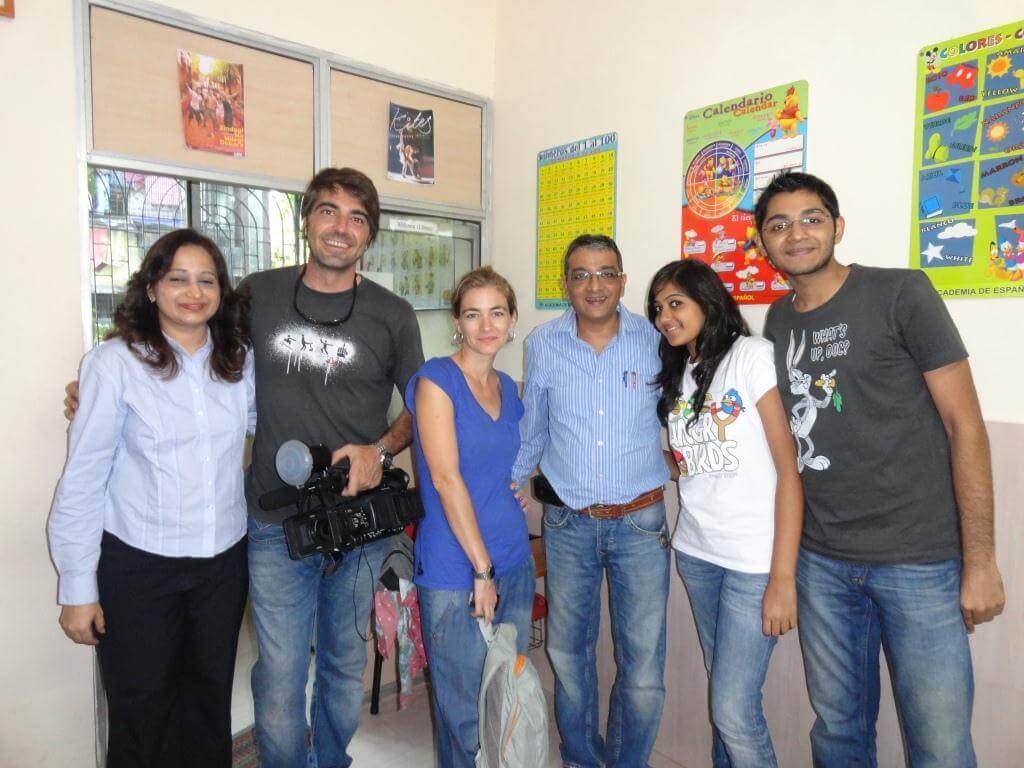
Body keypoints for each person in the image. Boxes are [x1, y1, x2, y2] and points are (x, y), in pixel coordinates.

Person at [66, 167, 424, 768]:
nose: (341, 227)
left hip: (360, 527)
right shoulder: (256, 295)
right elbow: (184, 330)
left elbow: (423, 408)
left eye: (357, 218)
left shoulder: (392, 314)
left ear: (370, 235)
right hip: (270, 524)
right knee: (280, 674)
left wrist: (380, 451)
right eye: (329, 211)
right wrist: (106, 378)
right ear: (306, 219)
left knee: (342, 668)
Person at [755, 171, 1005, 767]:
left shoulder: (902, 293)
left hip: (917, 561)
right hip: (822, 562)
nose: (796, 234)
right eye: (779, 224)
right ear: (763, 242)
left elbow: (965, 426)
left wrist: (981, 560)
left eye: (811, 219)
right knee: (839, 731)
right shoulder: (779, 320)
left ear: (838, 226)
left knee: (940, 743)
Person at [49, 228, 254, 768]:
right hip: (139, 568)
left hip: (221, 565)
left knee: (209, 705)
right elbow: (83, 480)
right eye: (177, 278)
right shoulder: (113, 364)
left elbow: (273, 424)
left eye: (206, 280)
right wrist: (77, 586)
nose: (194, 291)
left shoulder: (238, 363)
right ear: (151, 289)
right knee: (141, 710)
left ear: (221, 291)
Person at [513, 234, 670, 768]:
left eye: (606, 273)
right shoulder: (542, 344)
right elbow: (532, 431)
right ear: (565, 286)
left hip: (641, 525)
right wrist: (508, 487)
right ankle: (582, 759)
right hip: (568, 525)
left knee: (643, 667)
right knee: (568, 654)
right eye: (580, 274)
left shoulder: (656, 341)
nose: (594, 285)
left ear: (624, 282)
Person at [646, 259, 802, 768]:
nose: (664, 317)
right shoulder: (679, 373)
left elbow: (788, 470)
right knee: (726, 695)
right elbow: (690, 463)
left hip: (753, 563)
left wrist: (782, 577)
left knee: (733, 709)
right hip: (696, 553)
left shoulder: (751, 355)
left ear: (707, 301)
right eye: (658, 308)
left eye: (675, 303)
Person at [407, 266, 534, 767]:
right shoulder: (436, 379)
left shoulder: (507, 386)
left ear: (512, 321)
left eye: (497, 313)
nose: (486, 325)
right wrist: (481, 570)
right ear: (457, 322)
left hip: (513, 557)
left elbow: (497, 466)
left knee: (505, 697)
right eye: (473, 314)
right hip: (456, 566)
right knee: (462, 713)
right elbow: (445, 478)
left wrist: (511, 492)